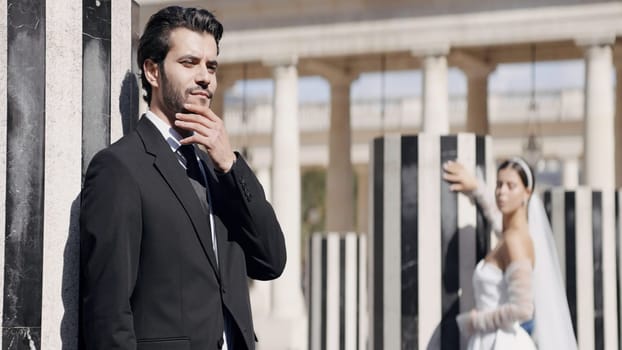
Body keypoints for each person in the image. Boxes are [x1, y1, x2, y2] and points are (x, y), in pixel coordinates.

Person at [79, 6, 286, 350]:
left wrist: (231, 166)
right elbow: (108, 314)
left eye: (211, 66)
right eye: (189, 63)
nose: (205, 76)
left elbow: (270, 261)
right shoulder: (120, 169)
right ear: (152, 71)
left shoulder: (219, 172)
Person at [443, 157, 577, 350]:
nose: (501, 192)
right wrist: (477, 188)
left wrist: (475, 321)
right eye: (498, 184)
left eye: (510, 185)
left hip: (503, 342)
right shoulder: (512, 236)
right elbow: (499, 221)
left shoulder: (515, 241)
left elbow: (523, 309)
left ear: (527, 193)